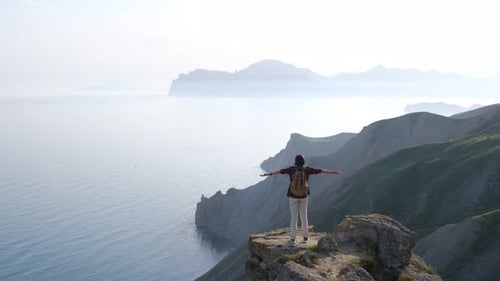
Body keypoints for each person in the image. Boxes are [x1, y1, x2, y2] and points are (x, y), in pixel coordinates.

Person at [260, 154, 341, 244]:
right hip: (304, 196)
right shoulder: (307, 170)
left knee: (294, 217)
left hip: (293, 196)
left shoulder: (291, 170)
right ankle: (305, 238)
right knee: (304, 216)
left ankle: (292, 239)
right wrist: (333, 172)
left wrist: (268, 174)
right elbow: (320, 171)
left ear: (295, 162)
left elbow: (280, 171)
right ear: (303, 162)